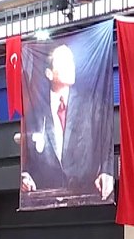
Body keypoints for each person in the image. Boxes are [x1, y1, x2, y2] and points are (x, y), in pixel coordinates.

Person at [19, 43, 116, 204]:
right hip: (47, 196)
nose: (70, 66)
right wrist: (26, 175)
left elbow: (105, 140)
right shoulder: (35, 114)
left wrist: (106, 171)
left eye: (71, 61)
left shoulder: (90, 105)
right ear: (49, 73)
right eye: (63, 62)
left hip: (86, 195)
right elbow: (27, 156)